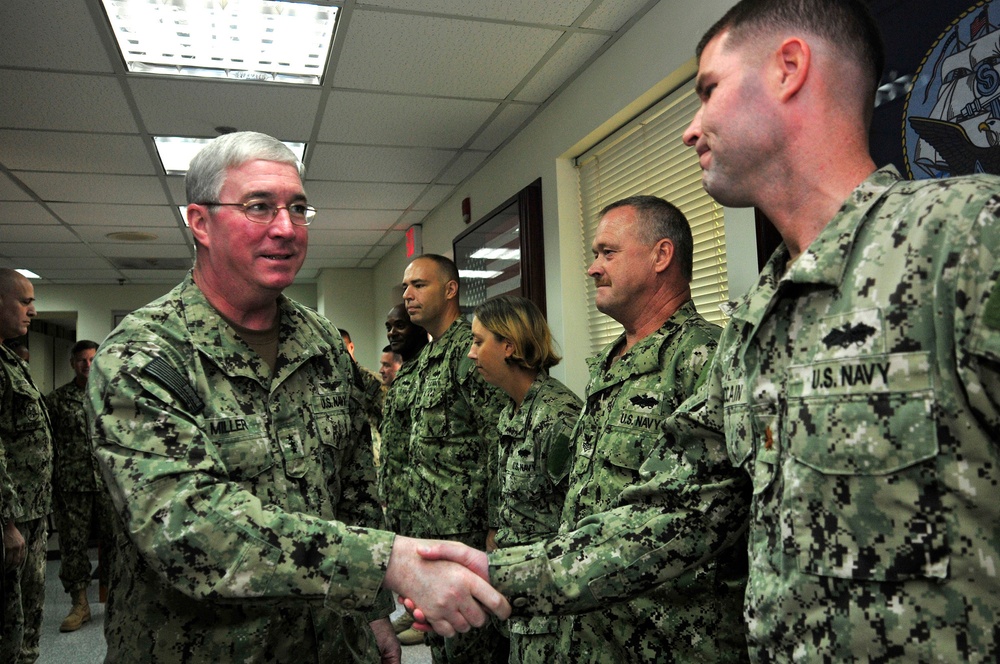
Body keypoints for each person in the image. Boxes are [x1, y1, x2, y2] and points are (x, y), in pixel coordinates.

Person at [415, 0, 1000, 660]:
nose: (691, 130)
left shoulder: (964, 238)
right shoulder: (758, 325)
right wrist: (490, 574)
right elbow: (675, 511)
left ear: (789, 69)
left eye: (709, 91)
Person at [85, 131, 508, 663]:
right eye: (259, 207)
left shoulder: (324, 344)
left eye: (298, 208)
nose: (286, 228)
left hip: (330, 645)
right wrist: (386, 563)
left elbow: (354, 484)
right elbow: (189, 533)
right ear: (200, 222)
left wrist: (374, 609)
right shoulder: (145, 358)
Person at [396, 254, 509, 662]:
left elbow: (502, 436)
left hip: (467, 534)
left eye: (419, 285)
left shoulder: (470, 351)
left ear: (450, 290)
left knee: (471, 650)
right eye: (406, 287)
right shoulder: (428, 357)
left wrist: (497, 523)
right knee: (443, 646)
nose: (408, 295)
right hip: (431, 531)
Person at [467, 295, 582, 664]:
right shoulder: (511, 409)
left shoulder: (558, 417)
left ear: (509, 346)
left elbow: (581, 518)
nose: (471, 353)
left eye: (478, 341)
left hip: (551, 608)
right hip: (519, 597)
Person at [0, 269, 53, 664]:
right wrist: (6, 523)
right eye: (23, 301)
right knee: (9, 626)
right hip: (11, 521)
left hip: (31, 515)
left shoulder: (9, 361)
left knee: (27, 621)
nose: (32, 311)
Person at [45, 339, 112, 633]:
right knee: (73, 547)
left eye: (92, 359)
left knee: (115, 544)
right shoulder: (56, 401)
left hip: (109, 483)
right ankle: (80, 605)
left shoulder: (111, 395)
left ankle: (115, 602)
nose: (87, 365)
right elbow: (48, 444)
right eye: (82, 360)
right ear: (73, 364)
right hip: (72, 486)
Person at [377, 304, 430, 645]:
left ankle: (423, 622)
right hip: (400, 489)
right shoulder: (406, 372)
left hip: (422, 491)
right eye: (388, 326)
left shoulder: (428, 368)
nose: (392, 332)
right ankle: (412, 612)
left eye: (400, 325)